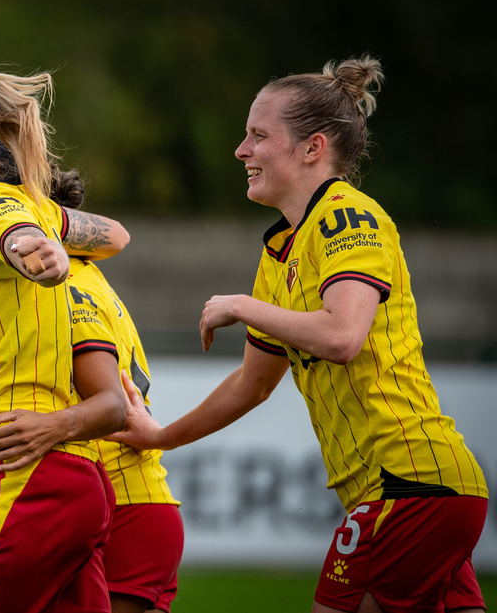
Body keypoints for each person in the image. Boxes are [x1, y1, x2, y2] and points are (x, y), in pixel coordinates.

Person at [110, 56, 488, 613]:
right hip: (413, 492)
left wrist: (242, 305)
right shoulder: (281, 249)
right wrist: (160, 437)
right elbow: (253, 384)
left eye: (258, 136)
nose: (241, 150)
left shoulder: (347, 218)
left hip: (408, 486)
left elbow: (342, 336)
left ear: (313, 148)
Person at [0, 152, 184, 613]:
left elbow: (109, 403)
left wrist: (51, 426)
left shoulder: (65, 287)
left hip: (120, 495)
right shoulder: (62, 278)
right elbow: (116, 236)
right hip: (105, 493)